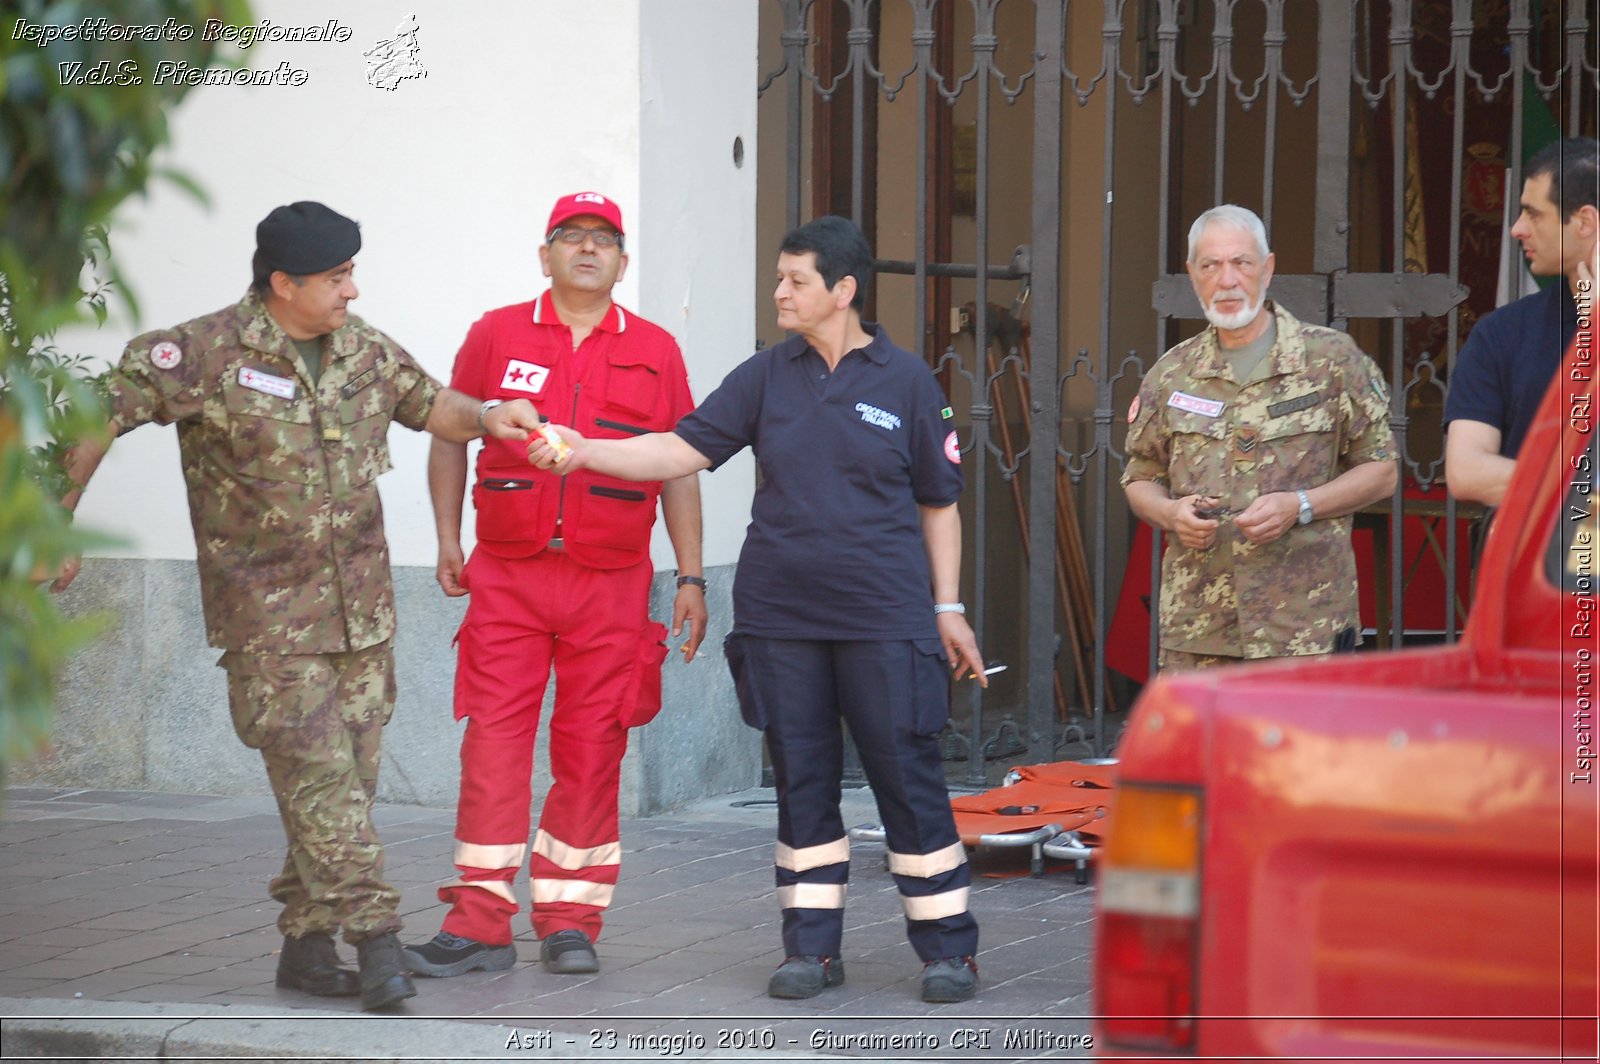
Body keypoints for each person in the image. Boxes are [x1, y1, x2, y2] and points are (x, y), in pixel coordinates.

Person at [53, 201, 544, 1011]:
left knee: (344, 785)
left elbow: (431, 404)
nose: (352, 290)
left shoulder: (363, 350)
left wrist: (492, 417)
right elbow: (95, 413)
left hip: (363, 617)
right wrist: (54, 520)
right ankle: (377, 941)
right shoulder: (202, 354)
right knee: (322, 787)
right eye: (336, 276)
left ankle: (308, 949)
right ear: (282, 283)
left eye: (351, 273)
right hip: (268, 623)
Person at [527, 215, 988, 1005]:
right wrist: (584, 448)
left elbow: (938, 503)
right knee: (802, 781)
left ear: (842, 291)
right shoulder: (764, 376)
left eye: (796, 280)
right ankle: (811, 949)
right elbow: (678, 449)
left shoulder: (907, 382)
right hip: (782, 619)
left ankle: (948, 950)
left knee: (907, 782)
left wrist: (947, 606)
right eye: (779, 277)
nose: (780, 292)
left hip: (884, 617)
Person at [402, 192, 706, 980]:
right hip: (508, 572)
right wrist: (445, 538)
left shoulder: (656, 350)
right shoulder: (496, 333)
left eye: (602, 239)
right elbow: (448, 431)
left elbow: (678, 469)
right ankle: (478, 925)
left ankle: (571, 920)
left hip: (610, 580)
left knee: (593, 745)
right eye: (570, 236)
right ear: (545, 255)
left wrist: (692, 574)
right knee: (494, 741)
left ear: (622, 262)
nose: (586, 249)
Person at [1122, 204, 1398, 671]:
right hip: (1199, 631)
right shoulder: (1171, 375)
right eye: (1210, 265)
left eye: (1241, 263)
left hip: (1305, 630)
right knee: (1206, 749)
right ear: (1192, 275)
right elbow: (1140, 476)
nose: (1226, 280)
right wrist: (1170, 512)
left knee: (1302, 749)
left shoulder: (1332, 360)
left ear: (1267, 269)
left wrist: (1302, 505)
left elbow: (1382, 472)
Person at [1445, 136, 1599, 507]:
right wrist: (1588, 488)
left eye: (1533, 213)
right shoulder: (1501, 334)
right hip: (1533, 563)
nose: (1517, 229)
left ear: (1584, 221)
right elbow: (1466, 472)